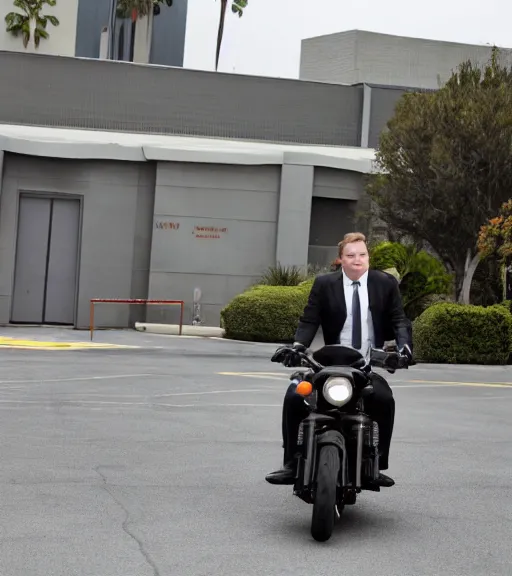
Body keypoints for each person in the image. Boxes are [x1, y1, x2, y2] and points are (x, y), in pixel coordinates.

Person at [265, 232, 413, 488]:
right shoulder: (324, 284)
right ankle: (291, 463)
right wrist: (298, 347)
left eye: (363, 254)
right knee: (294, 396)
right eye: (351, 255)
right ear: (340, 259)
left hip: (366, 365)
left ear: (368, 257)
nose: (358, 259)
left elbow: (399, 319)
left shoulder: (385, 283)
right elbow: (309, 320)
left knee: (384, 399)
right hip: (329, 363)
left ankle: (378, 462)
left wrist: (404, 349)